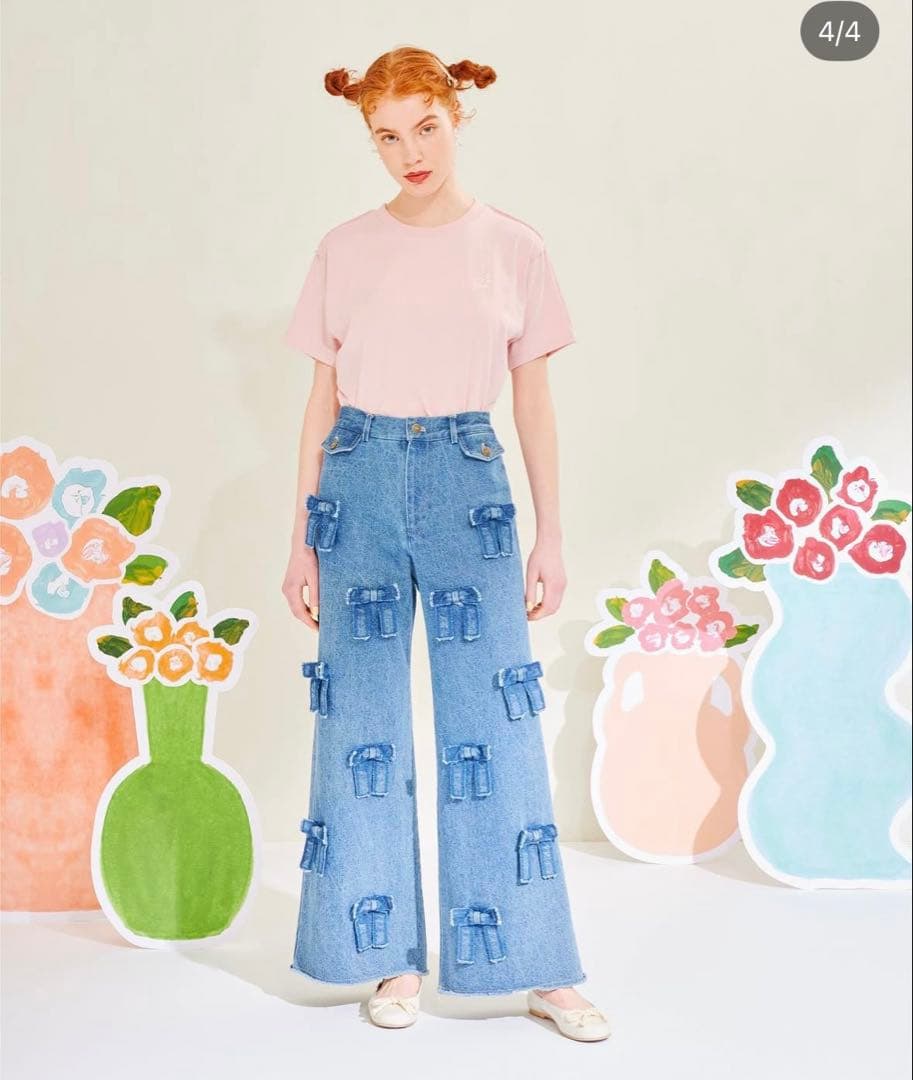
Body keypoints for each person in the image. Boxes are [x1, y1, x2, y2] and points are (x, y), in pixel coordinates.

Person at [281, 46, 611, 1043]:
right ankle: (387, 958)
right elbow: (319, 403)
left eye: (425, 127)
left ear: (457, 117)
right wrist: (300, 541)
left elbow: (534, 403)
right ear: (368, 138)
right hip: (358, 477)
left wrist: (552, 535)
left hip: (471, 481)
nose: (408, 152)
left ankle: (537, 965)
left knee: (495, 720)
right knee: (361, 722)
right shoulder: (343, 248)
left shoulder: (513, 246)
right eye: (386, 136)